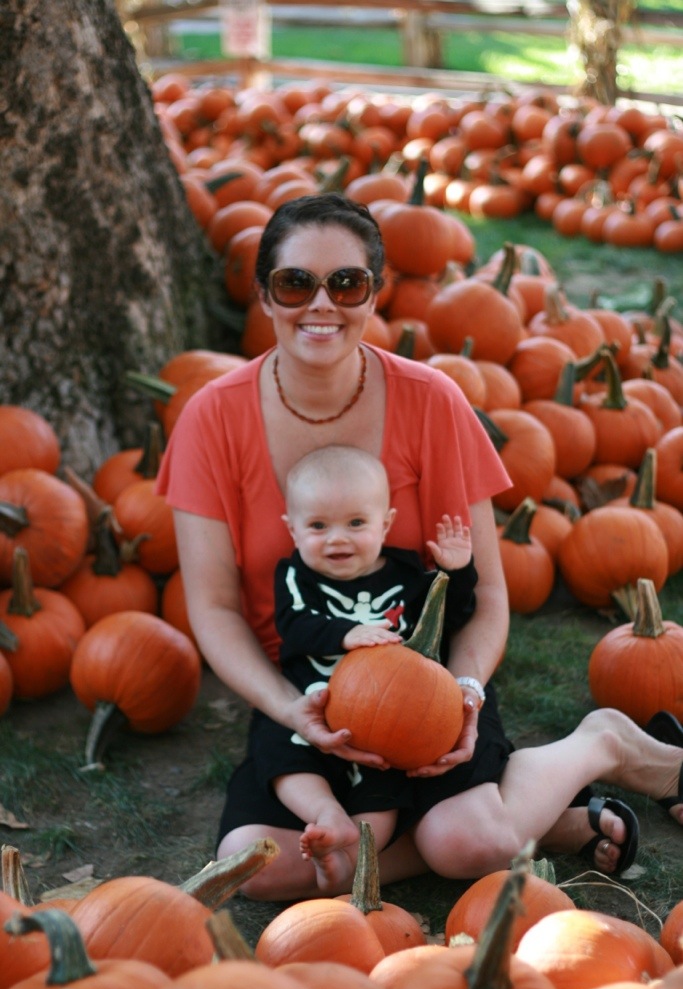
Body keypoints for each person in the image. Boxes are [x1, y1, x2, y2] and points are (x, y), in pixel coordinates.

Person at [156, 192, 683, 901]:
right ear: (264, 293)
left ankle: (601, 742)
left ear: (375, 292)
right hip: (305, 685)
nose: (322, 304)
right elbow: (215, 607)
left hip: (428, 678)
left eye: (347, 283)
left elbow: (486, 592)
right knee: (258, 870)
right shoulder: (210, 418)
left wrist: (464, 693)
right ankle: (548, 822)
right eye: (295, 282)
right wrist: (287, 709)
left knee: (467, 843)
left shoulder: (431, 401)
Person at [264, 443, 477, 892]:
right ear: (292, 530)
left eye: (356, 523)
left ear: (386, 523)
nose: (337, 538)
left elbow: (448, 617)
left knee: (385, 785)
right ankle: (327, 814)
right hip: (315, 704)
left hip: (383, 715)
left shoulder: (405, 574)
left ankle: (354, 857)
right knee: (284, 755)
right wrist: (346, 633)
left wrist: (456, 574)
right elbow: (293, 623)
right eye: (318, 526)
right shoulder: (295, 576)